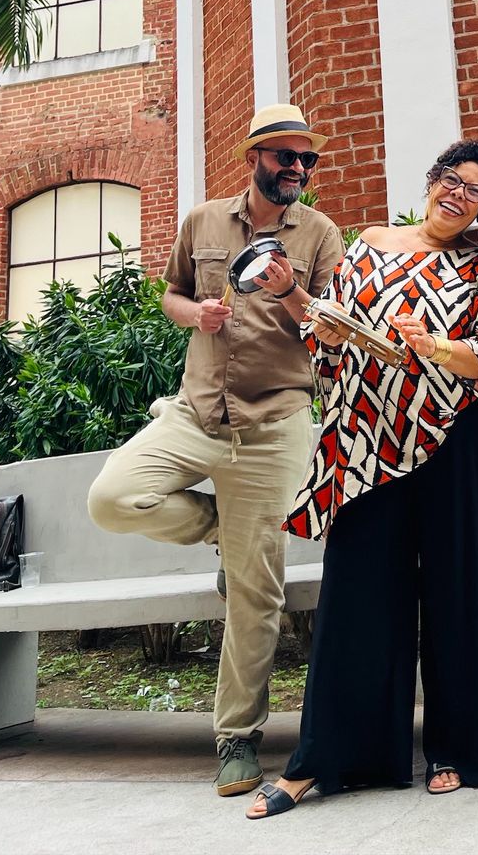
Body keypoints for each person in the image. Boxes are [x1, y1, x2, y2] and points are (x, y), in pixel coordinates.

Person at [246, 139, 478, 819]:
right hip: (366, 441)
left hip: (456, 437)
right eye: (451, 181)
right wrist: (290, 293)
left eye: (475, 192)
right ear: (430, 181)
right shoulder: (369, 244)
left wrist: (436, 349)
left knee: (461, 594)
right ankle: (329, 760)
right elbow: (327, 335)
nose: (457, 196)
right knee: (357, 595)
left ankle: (458, 749)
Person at [87, 104, 345, 795]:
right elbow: (170, 294)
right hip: (196, 410)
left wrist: (291, 292)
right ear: (254, 158)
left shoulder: (319, 234)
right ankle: (224, 539)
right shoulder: (203, 221)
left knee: (256, 593)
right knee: (111, 498)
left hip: (274, 422)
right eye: (284, 157)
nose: (297, 169)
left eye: (306, 160)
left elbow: (331, 331)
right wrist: (194, 313)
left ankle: (237, 737)